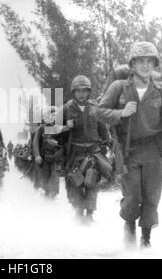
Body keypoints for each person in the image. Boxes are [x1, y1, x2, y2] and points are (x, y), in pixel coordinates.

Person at [96, 42, 162, 248]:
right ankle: (129, 231)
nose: (145, 66)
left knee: (152, 196)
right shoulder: (119, 88)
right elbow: (99, 112)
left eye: (149, 61)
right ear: (132, 65)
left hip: (154, 150)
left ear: (154, 64)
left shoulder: (160, 89)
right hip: (128, 150)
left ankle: (145, 240)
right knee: (133, 196)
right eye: (140, 61)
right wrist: (120, 113)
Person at [57, 75, 111, 224]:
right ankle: (78, 211)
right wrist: (64, 127)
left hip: (93, 153)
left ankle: (90, 213)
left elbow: (104, 131)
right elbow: (50, 129)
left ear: (89, 92)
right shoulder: (66, 109)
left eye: (84, 90)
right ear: (73, 92)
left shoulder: (95, 109)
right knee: (75, 183)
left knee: (92, 183)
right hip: (74, 153)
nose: (81, 94)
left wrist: (110, 145)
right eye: (78, 91)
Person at [33, 106, 66, 199]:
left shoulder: (60, 129)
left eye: (55, 115)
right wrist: (37, 155)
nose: (52, 117)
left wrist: (60, 151)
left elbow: (65, 143)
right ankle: (46, 195)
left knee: (55, 179)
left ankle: (53, 197)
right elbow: (35, 142)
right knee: (45, 178)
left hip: (56, 158)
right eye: (50, 114)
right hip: (44, 158)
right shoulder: (42, 128)